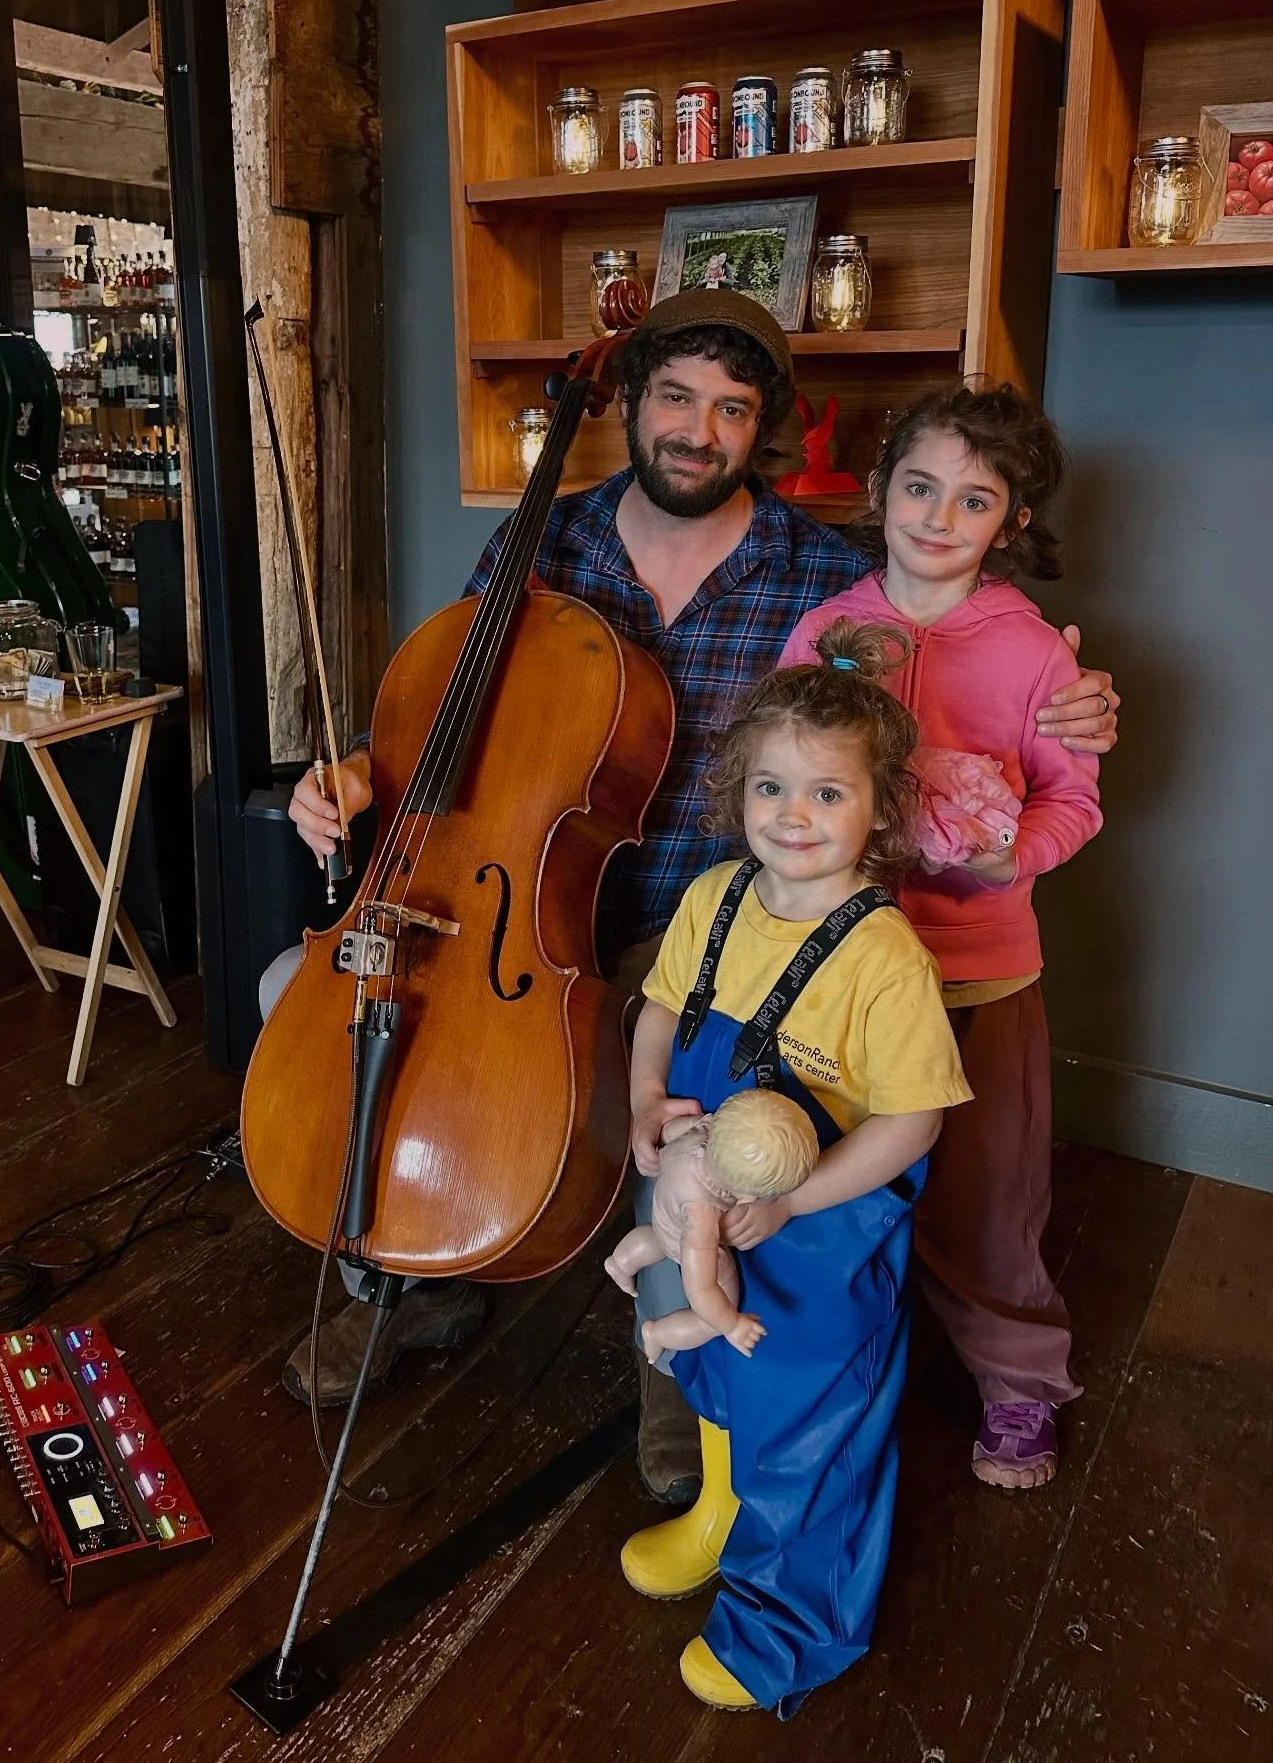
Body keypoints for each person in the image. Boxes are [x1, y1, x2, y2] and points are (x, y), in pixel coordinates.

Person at [275, 288, 1120, 1505]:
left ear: (763, 428)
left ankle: (682, 1370)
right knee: (361, 1016)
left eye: (732, 408)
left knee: (696, 1102)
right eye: (676, 396)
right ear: (630, 403)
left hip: (713, 933)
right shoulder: (543, 543)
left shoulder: (824, 580)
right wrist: (360, 774)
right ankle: (409, 1274)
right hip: (514, 902)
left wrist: (1074, 702)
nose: (698, 428)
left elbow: (940, 689)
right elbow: (446, 707)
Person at [621, 619, 972, 1713]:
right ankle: (721, 1512)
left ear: (881, 811)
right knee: (718, 1369)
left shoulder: (885, 958)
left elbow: (912, 1122)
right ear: (739, 793)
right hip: (706, 1194)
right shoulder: (713, 898)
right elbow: (661, 1010)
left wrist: (795, 1199)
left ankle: (787, 1628)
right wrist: (645, 1098)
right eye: (771, 788)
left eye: (828, 794)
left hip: (824, 1225)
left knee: (807, 1421)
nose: (793, 816)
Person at [779, 383, 1103, 1490]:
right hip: (840, 963)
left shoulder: (1035, 654)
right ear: (880, 490)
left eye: (975, 499)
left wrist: (1015, 856)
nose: (939, 516)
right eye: (920, 486)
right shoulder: (826, 631)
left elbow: (1073, 798)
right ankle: (833, 1373)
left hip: (977, 972)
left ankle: (1019, 1382)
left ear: (1011, 522)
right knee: (834, 1180)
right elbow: (782, 759)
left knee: (989, 1196)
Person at [604, 1086, 820, 1365]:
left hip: (665, 1206)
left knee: (659, 1235)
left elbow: (668, 1132)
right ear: (748, 1198)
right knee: (711, 1317)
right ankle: (658, 1333)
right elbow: (701, 1289)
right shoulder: (702, 1219)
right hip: (686, 1237)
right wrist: (731, 1324)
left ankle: (620, 1262)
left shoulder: (706, 1128)